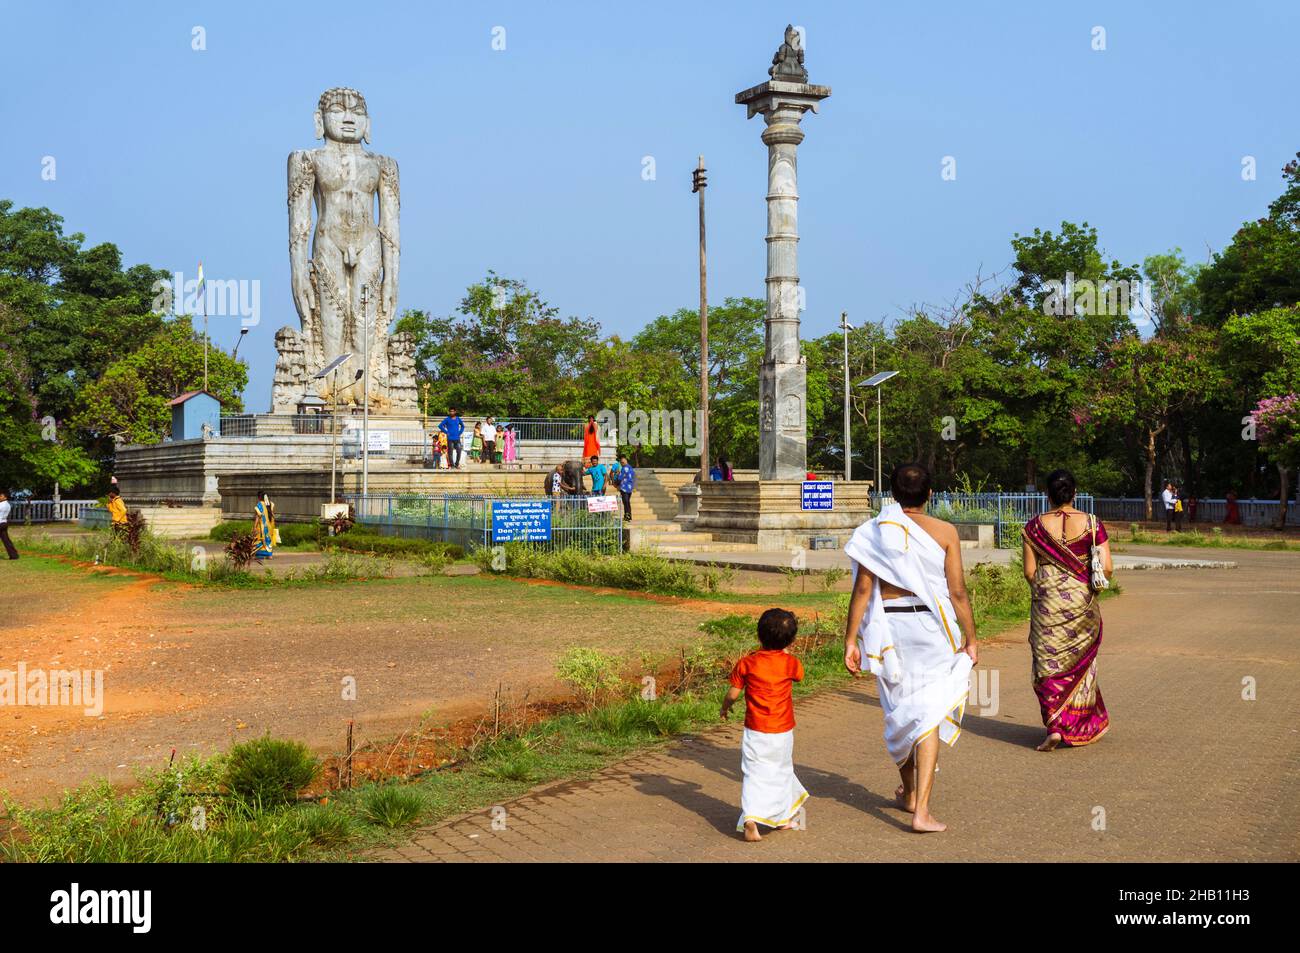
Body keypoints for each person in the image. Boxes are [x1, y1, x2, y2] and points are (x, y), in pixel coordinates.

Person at [843, 462, 977, 834]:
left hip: (889, 632)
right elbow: (958, 592)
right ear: (930, 494)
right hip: (932, 629)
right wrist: (971, 637)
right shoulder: (945, 531)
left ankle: (912, 792)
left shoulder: (875, 531)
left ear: (892, 494)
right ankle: (921, 809)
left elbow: (863, 590)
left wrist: (851, 639)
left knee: (900, 711)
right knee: (928, 714)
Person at [1021, 469, 1112, 751]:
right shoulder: (1093, 523)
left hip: (1048, 605)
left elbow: (1029, 571)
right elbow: (1107, 567)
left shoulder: (1034, 527)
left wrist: (1050, 590)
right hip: (1081, 603)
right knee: (1082, 665)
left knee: (1047, 665)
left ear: (1048, 494)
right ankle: (1076, 725)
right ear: (1074, 492)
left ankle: (1055, 726)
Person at [720, 608, 809, 842]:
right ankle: (782, 818)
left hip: (755, 729)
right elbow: (799, 675)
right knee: (781, 771)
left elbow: (733, 694)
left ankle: (751, 820)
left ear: (759, 636)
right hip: (783, 730)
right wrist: (785, 651)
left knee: (753, 773)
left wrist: (725, 707)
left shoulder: (747, 663)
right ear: (791, 639)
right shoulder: (791, 663)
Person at [252, 491, 276, 560]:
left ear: (259, 497)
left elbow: (257, 517)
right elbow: (273, 515)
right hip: (270, 527)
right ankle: (269, 555)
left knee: (260, 540)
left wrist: (254, 527)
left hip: (262, 527)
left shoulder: (259, 504)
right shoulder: (271, 504)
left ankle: (260, 555)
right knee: (268, 540)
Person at [615, 454, 636, 522]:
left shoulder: (624, 468)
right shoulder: (630, 467)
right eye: (621, 462)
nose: (622, 463)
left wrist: (616, 483)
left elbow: (620, 478)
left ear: (625, 460)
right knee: (627, 502)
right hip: (629, 488)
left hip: (625, 488)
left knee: (626, 502)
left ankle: (627, 516)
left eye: (622, 461)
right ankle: (628, 516)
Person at [0, 490, 18, 560]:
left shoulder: (1, 505)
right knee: (6, 540)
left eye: (1, 496)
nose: (0, 497)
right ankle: (14, 555)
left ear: (5, 497)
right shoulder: (8, 505)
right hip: (4, 523)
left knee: (6, 540)